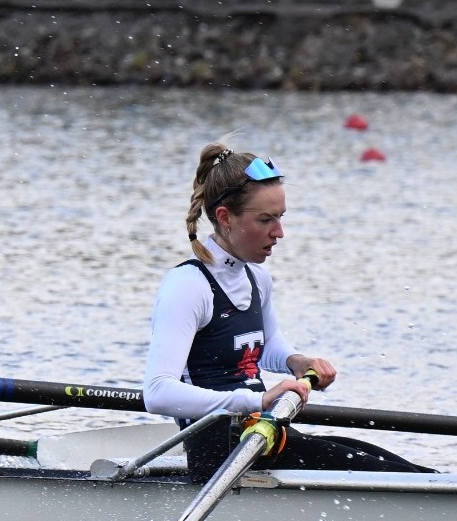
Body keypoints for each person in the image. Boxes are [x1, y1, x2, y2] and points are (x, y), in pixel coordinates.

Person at [143, 142, 432, 481]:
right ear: (225, 218)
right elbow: (158, 393)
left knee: (416, 472)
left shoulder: (257, 278)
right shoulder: (188, 285)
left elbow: (265, 344)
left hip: (265, 437)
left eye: (280, 218)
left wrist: (296, 362)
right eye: (265, 219)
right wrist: (259, 399)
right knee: (397, 476)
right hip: (221, 457)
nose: (279, 232)